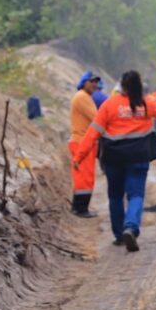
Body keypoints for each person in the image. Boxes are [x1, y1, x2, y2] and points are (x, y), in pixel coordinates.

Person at [75, 70, 156, 251]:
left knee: (115, 196)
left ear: (121, 85)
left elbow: (92, 133)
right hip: (138, 157)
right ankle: (131, 227)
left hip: (113, 159)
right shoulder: (145, 103)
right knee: (136, 195)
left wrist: (79, 156)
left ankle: (119, 235)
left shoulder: (109, 105)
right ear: (139, 85)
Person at [69, 71, 102, 217]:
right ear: (84, 82)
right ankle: (81, 209)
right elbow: (97, 119)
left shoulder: (85, 97)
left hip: (82, 142)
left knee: (82, 176)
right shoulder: (82, 97)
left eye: (96, 82)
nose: (95, 84)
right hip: (82, 142)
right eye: (92, 81)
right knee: (85, 177)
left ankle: (78, 207)